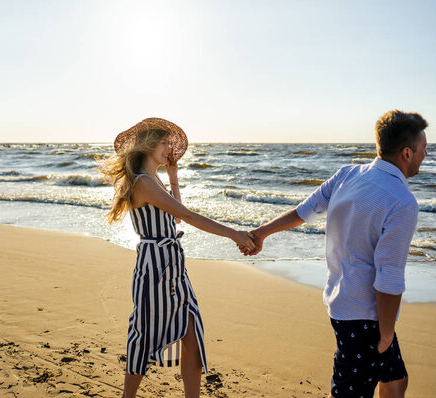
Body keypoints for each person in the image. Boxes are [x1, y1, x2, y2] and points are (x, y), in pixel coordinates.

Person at [243, 110, 428, 397]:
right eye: (423, 149)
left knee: (395, 381)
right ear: (406, 152)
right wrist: (387, 333)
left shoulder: (348, 174)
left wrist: (261, 233)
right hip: (366, 317)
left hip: (342, 302)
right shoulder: (403, 202)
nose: (425, 155)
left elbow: (304, 211)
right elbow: (388, 276)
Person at [101, 117, 255, 398]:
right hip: (155, 268)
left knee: (193, 335)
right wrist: (234, 234)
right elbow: (186, 216)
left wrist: (173, 177)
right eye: (164, 144)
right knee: (144, 336)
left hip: (174, 266)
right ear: (149, 145)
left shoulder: (155, 179)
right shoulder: (143, 182)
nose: (169, 150)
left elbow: (176, 217)